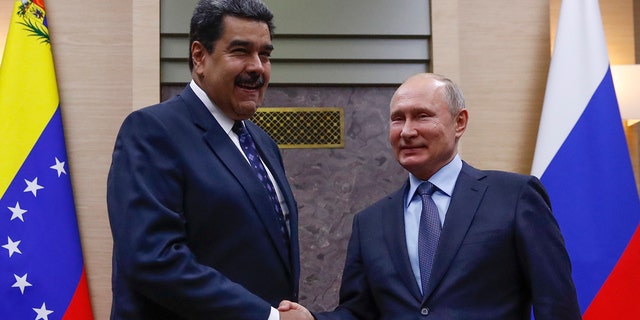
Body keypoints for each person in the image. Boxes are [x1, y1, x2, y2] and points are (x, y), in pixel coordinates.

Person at [283, 73, 582, 319]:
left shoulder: (515, 197)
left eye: (422, 116)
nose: (407, 131)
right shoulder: (370, 222)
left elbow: (556, 305)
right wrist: (312, 319)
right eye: (397, 119)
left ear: (459, 122)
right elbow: (360, 313)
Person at [107, 0, 312, 319]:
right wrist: (267, 317)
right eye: (241, 51)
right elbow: (152, 258)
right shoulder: (152, 131)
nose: (257, 67)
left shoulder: (263, 143)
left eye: (265, 54)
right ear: (200, 56)